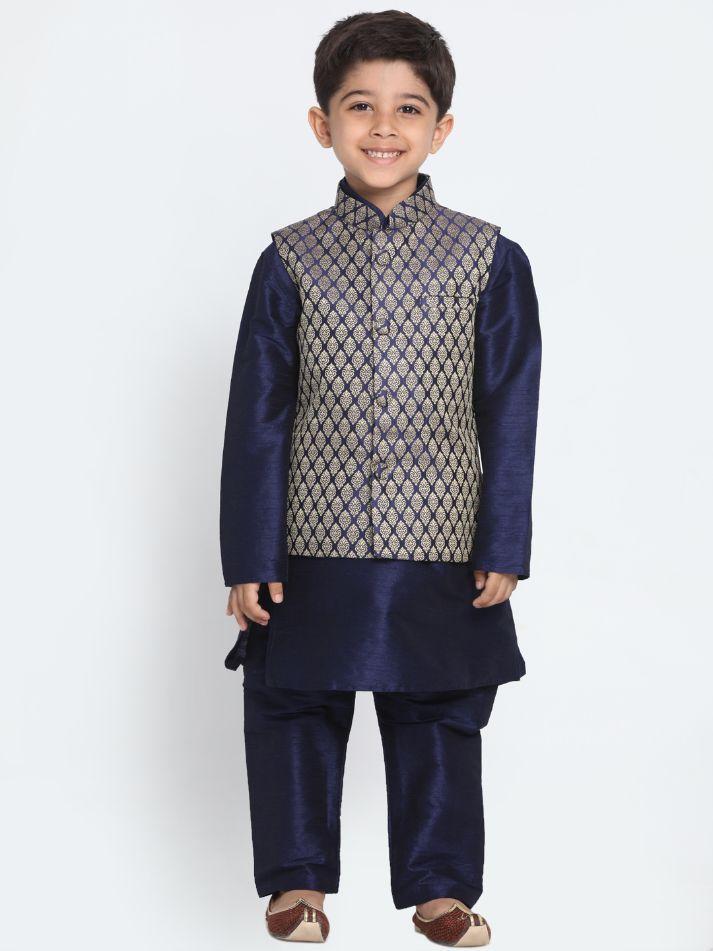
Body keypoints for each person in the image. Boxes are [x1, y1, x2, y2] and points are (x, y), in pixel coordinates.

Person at [219, 10, 542, 945]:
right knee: (292, 699)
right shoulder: (288, 259)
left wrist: (504, 540)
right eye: (360, 106)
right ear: (322, 123)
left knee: (439, 707)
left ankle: (440, 889)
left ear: (441, 127)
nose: (383, 127)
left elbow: (509, 406)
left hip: (442, 533)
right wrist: (249, 554)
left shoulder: (489, 258)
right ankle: (297, 883)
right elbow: (257, 414)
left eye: (408, 108)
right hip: (306, 536)